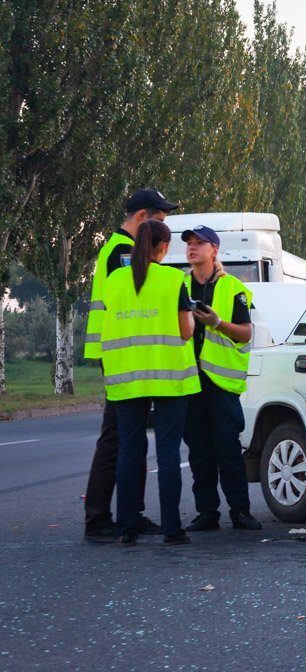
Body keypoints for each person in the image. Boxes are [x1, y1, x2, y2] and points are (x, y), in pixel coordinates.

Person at [83, 188, 180, 542]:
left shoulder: (116, 248)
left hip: (121, 355)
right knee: (117, 439)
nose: (159, 235)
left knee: (130, 439)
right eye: (159, 224)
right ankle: (98, 518)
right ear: (142, 217)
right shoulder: (122, 253)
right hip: (122, 356)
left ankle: (130, 514)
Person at [102, 219, 198, 545]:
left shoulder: (114, 281)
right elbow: (186, 331)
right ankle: (172, 529)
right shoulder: (173, 279)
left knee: (129, 452)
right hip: (169, 377)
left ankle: (126, 527)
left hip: (127, 378)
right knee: (168, 454)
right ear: (163, 247)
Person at [181, 225, 263, 531]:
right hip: (189, 379)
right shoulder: (179, 284)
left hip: (221, 383)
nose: (192, 247)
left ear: (214, 250)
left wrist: (216, 322)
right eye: (189, 243)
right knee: (199, 451)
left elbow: (245, 334)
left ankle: (240, 511)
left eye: (199, 243)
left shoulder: (233, 288)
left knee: (227, 449)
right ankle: (207, 512)